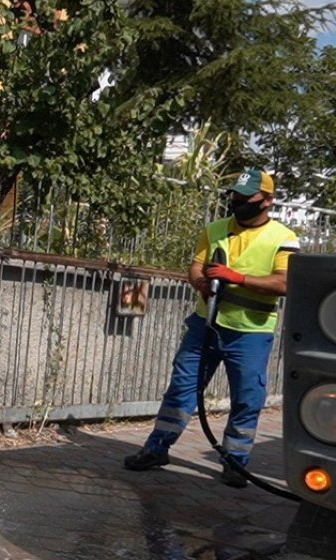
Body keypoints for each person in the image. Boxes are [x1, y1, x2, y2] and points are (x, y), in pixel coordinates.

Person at [123, 169, 300, 487]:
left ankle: (235, 462)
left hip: (250, 333)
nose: (238, 202)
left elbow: (284, 282)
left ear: (268, 200)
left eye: (247, 198)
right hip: (205, 326)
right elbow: (195, 266)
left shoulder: (283, 238)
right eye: (235, 196)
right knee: (181, 389)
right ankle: (156, 448)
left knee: (247, 399)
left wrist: (238, 278)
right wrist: (202, 282)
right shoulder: (215, 229)